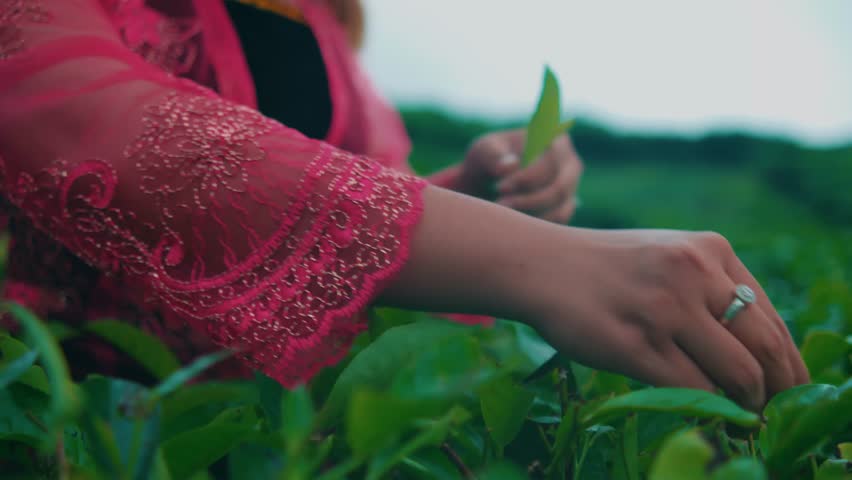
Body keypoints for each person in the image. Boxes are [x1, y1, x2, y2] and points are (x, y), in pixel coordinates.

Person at [0, 0, 807, 411]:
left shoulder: (318, 21)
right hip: (58, 414)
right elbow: (100, 129)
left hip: (264, 429)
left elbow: (360, 194)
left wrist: (479, 200)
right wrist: (544, 261)